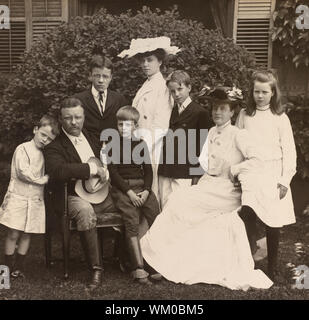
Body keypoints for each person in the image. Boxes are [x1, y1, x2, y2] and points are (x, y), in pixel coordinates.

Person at [140, 86, 273, 290]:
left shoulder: (238, 134)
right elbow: (204, 163)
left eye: (222, 108)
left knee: (181, 202)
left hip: (226, 190)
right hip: (208, 185)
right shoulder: (211, 131)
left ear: (232, 111)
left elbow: (258, 159)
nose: (217, 112)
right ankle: (160, 257)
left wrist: (236, 169)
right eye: (214, 108)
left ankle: (162, 259)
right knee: (177, 200)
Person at [44, 97, 116, 290]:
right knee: (85, 211)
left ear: (84, 117)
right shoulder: (54, 146)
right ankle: (96, 269)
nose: (74, 122)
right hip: (71, 196)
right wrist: (92, 169)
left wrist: (106, 170)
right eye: (68, 118)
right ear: (61, 119)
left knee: (127, 203)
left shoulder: (92, 137)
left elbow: (107, 160)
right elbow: (59, 171)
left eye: (77, 117)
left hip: (100, 192)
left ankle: (128, 260)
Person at [236, 70, 297, 282]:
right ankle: (248, 262)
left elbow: (289, 152)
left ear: (273, 93)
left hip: (273, 173)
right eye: (256, 92)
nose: (260, 96)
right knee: (248, 217)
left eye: (264, 92)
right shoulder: (245, 115)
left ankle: (272, 267)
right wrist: (237, 170)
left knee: (273, 222)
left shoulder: (280, 118)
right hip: (251, 172)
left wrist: (284, 181)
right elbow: (236, 143)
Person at [118, 36, 180, 202]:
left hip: (152, 146)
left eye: (150, 60)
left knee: (152, 191)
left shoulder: (163, 87)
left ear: (160, 62)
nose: (145, 64)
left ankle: (153, 227)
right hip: (140, 144)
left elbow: (161, 124)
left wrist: (141, 146)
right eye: (143, 61)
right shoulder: (146, 84)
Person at [106, 106, 160, 284]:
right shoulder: (112, 145)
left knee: (155, 214)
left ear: (135, 126)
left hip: (141, 187)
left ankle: (154, 262)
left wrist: (146, 191)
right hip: (123, 189)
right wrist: (130, 193)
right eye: (120, 125)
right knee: (131, 219)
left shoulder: (141, 144)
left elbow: (148, 171)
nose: (123, 128)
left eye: (128, 125)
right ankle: (138, 267)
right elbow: (113, 174)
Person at [0, 115, 59, 278]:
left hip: (35, 199)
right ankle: (5, 270)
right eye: (43, 135)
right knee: (13, 233)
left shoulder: (46, 154)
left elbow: (52, 169)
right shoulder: (23, 148)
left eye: (49, 139)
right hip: (18, 197)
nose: (45, 140)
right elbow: (23, 172)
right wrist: (43, 180)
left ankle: (18, 268)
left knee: (28, 233)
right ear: (35, 130)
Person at [158, 70, 212, 208]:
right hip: (166, 169)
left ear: (189, 87)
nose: (176, 94)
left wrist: (196, 177)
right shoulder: (170, 111)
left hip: (185, 172)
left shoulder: (200, 113)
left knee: (180, 209)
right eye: (172, 91)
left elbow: (203, 148)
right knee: (164, 208)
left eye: (180, 89)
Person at [74, 54, 128, 149]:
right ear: (90, 76)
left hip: (114, 152)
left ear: (111, 77)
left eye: (105, 76)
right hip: (88, 151)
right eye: (97, 76)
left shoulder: (119, 100)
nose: (101, 80)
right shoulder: (78, 100)